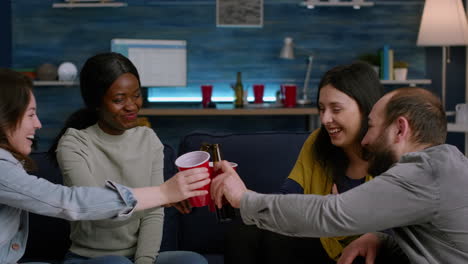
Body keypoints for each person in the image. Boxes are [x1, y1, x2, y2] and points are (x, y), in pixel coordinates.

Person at [212, 87, 468, 264]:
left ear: (400, 129)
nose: (365, 140)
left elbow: (331, 214)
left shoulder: (425, 172)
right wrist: (382, 240)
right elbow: (439, 246)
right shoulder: (445, 165)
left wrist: (244, 199)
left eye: (371, 127)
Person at [0, 68, 209, 264]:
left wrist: (159, 200)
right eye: (30, 114)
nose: (38, 124)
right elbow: (74, 203)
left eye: (136, 95)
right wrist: (162, 194)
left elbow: (152, 214)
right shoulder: (7, 167)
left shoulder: (10, 164)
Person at [223, 61, 399, 264]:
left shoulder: (393, 153)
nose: (325, 119)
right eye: (322, 109)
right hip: (322, 242)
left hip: (367, 250)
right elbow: (287, 197)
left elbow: (402, 230)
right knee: (245, 231)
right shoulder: (317, 142)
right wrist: (246, 199)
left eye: (336, 109)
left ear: (366, 108)